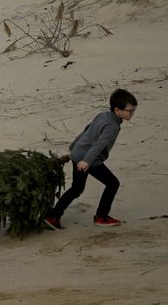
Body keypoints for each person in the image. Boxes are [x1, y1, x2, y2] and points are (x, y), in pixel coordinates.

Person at [45, 89, 137, 229]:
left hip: (79, 154)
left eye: (133, 110)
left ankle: (53, 216)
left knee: (76, 189)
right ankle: (101, 217)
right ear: (117, 110)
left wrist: (72, 149)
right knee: (113, 184)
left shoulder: (103, 114)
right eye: (130, 111)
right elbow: (99, 144)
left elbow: (86, 130)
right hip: (89, 160)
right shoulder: (112, 126)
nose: (132, 113)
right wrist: (87, 161)